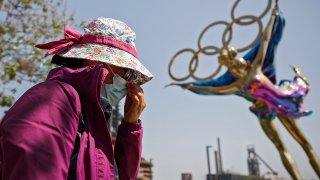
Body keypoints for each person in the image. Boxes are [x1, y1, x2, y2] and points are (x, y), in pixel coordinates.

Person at [169, 7, 320, 180]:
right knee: (282, 147)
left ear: (241, 63)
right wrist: (190, 85)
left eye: (236, 63)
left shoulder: (254, 69)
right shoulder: (238, 83)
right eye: (232, 65)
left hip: (281, 102)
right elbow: (212, 89)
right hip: (265, 110)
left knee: (305, 144)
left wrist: (273, 18)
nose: (235, 66)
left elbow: (266, 41)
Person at [0, 17, 153, 180]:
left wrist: (130, 127)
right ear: (96, 59)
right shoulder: (55, 100)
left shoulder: (89, 116)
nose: (129, 82)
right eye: (127, 71)